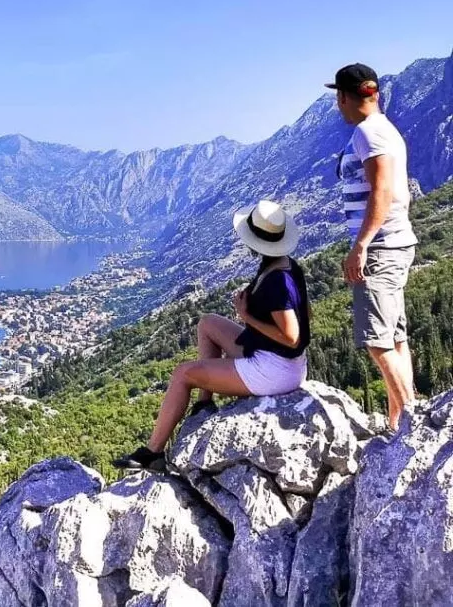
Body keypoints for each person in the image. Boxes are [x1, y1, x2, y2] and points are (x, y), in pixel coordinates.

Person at [113, 200, 310, 471]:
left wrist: (247, 316)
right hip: (279, 358)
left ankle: (153, 453)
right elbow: (303, 316)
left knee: (183, 374)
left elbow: (291, 336)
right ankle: (204, 404)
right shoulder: (285, 265)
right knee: (208, 323)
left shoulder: (277, 281)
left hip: (274, 369)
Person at [327, 63, 418, 429]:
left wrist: (361, 245)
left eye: (338, 98)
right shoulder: (385, 129)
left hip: (380, 247)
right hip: (395, 242)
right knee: (394, 336)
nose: (338, 106)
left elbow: (382, 190)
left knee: (376, 341)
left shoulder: (368, 132)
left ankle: (412, 419)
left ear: (345, 97)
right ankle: (400, 419)